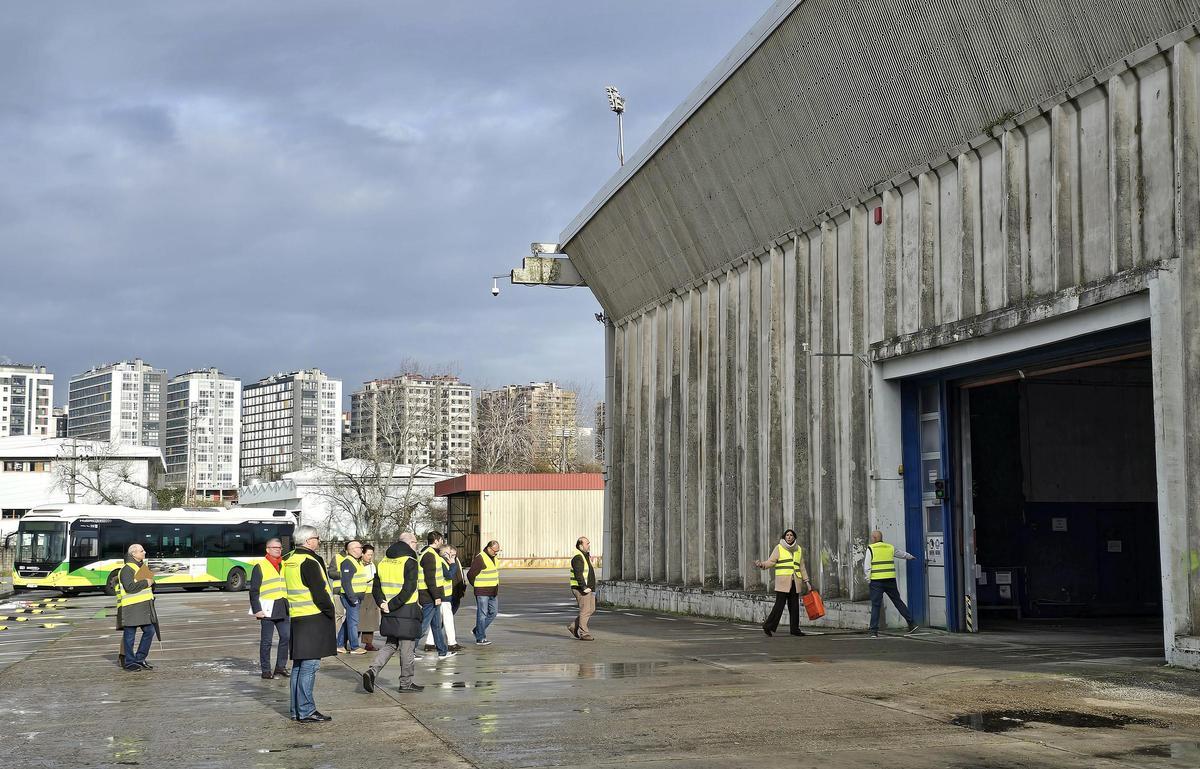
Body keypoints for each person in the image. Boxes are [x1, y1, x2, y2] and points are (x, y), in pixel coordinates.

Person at [283, 526, 337, 722]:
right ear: (307, 541)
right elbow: (320, 592)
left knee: (299, 666)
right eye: (316, 538)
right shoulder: (309, 561)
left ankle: (296, 709)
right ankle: (306, 710)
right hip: (313, 617)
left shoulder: (289, 559)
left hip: (298, 616)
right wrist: (330, 611)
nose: (319, 541)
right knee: (310, 666)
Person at [362, 532, 424, 694]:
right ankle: (406, 683)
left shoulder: (383, 561)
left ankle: (372, 671)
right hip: (406, 609)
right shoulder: (409, 561)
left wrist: (383, 603)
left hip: (387, 609)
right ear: (410, 543)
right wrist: (393, 604)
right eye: (416, 542)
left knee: (390, 644)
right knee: (407, 647)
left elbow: (376, 586)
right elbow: (409, 588)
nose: (416, 545)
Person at [754, 528, 811, 637]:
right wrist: (762, 565)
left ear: (794, 537)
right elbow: (771, 561)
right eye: (787, 535)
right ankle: (768, 626)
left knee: (794, 606)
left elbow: (802, 566)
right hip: (783, 582)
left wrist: (807, 582)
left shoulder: (798, 549)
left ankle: (795, 629)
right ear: (784, 537)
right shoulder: (779, 548)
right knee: (779, 606)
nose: (789, 537)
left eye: (791, 535)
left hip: (795, 582)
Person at [864, 530, 920, 638]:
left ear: (875, 538)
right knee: (898, 601)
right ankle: (912, 624)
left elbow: (867, 567)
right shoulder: (889, 547)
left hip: (876, 581)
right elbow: (901, 554)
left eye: (872, 537)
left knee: (876, 605)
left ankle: (873, 631)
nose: (871, 539)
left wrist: (868, 580)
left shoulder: (870, 548)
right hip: (890, 580)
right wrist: (910, 556)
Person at [249, 537, 290, 679]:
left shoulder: (284, 565)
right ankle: (266, 670)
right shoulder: (260, 566)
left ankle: (280, 667)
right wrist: (257, 609)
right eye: (275, 547)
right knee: (266, 641)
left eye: (280, 548)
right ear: (268, 550)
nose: (278, 550)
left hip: (283, 606)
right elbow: (254, 590)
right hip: (267, 608)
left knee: (286, 637)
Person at [116, 543, 159, 672]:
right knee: (130, 635)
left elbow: (152, 584)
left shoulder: (141, 566)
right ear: (133, 554)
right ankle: (129, 662)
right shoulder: (127, 569)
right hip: (131, 608)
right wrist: (146, 582)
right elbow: (129, 587)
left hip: (143, 607)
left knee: (150, 631)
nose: (144, 552)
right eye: (141, 551)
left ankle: (139, 658)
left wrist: (151, 582)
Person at [416, 531, 452, 660]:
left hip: (432, 595)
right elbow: (430, 579)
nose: (442, 542)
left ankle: (442, 651)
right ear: (436, 540)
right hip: (429, 596)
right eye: (441, 540)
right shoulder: (429, 556)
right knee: (424, 625)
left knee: (436, 625)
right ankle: (411, 650)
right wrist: (436, 596)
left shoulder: (432, 554)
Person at [425, 545, 464, 652]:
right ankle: (452, 643)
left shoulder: (442, 561)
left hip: (444, 595)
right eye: (448, 553)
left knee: (437, 622)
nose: (450, 555)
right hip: (443, 596)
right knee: (448, 620)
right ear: (443, 553)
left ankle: (429, 643)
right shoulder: (442, 562)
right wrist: (453, 565)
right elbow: (449, 575)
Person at [335, 539, 367, 654]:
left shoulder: (356, 561)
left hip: (356, 597)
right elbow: (346, 583)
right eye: (360, 548)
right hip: (351, 597)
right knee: (353, 622)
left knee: (348, 621)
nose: (361, 550)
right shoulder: (348, 562)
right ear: (353, 550)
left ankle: (339, 644)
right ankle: (354, 647)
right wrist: (353, 599)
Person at [467, 540, 501, 646]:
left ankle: (477, 630)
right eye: (495, 551)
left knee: (493, 612)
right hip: (482, 592)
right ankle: (480, 638)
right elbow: (470, 575)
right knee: (482, 614)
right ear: (489, 548)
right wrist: (477, 586)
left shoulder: (494, 558)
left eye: (498, 551)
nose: (496, 553)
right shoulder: (480, 558)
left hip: (493, 591)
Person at [567, 536, 597, 641]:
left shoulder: (584, 555)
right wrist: (583, 587)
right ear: (581, 545)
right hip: (581, 588)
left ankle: (573, 627)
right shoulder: (578, 557)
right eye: (587, 543)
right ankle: (584, 633)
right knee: (585, 610)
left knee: (591, 609)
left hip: (590, 588)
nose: (589, 545)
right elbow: (578, 574)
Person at [357, 544, 380, 651]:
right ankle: (351, 641)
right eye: (368, 554)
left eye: (371, 555)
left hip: (371, 594)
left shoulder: (372, 565)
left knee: (370, 620)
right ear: (362, 554)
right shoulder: (357, 564)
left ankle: (368, 643)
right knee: (358, 619)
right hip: (361, 594)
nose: (370, 557)